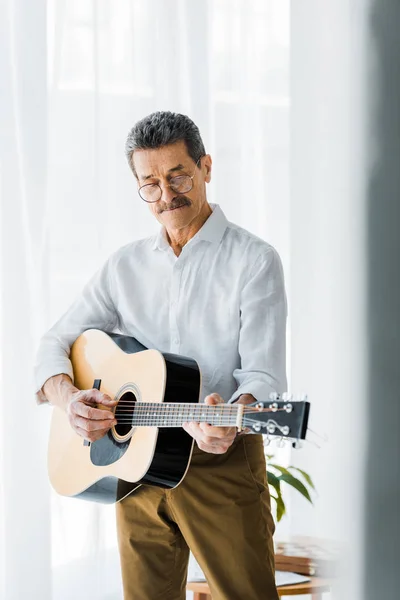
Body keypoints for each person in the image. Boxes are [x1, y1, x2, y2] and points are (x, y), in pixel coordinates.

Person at [35, 111, 287, 600]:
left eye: (178, 176)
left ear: (206, 167)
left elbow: (264, 376)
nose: (167, 196)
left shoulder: (255, 260)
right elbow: (54, 343)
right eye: (150, 184)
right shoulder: (123, 266)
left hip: (221, 466)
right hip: (135, 468)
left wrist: (235, 415)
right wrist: (69, 399)